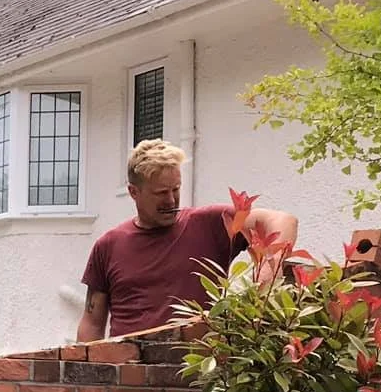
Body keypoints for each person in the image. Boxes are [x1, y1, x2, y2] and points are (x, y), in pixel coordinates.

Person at [74, 140, 297, 340]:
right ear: (134, 192)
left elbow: (283, 220)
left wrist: (270, 268)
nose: (171, 200)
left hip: (198, 373)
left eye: (176, 189)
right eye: (161, 192)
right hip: (127, 373)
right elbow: (92, 324)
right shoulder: (108, 246)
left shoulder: (211, 224)